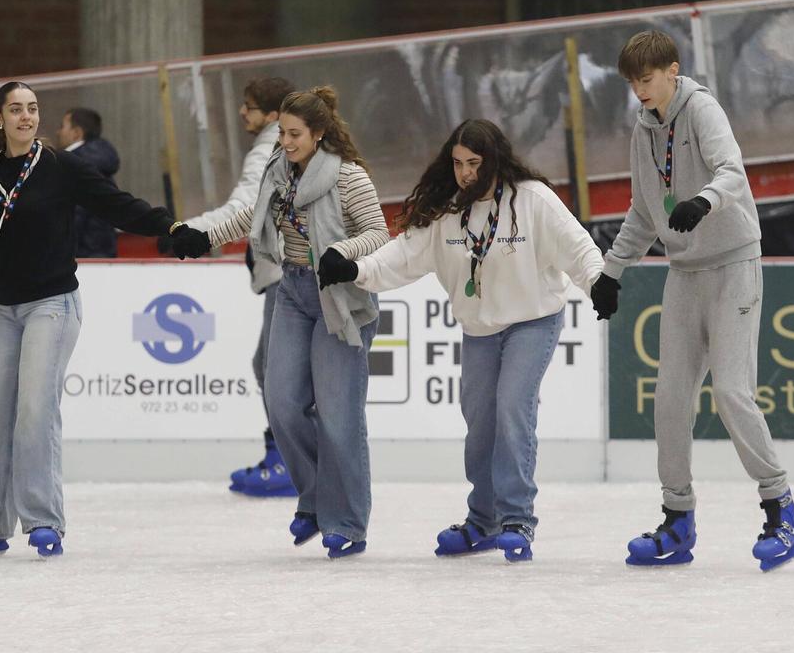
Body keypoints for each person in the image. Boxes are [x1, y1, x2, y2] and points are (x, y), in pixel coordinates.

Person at [0, 81, 209, 558]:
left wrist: (169, 226)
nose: (25, 117)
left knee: (35, 412)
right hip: (4, 309)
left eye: (32, 109)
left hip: (52, 305)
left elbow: (116, 203)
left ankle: (43, 522)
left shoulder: (59, 167)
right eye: (15, 109)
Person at [321, 119, 605, 563]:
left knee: (513, 408)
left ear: (494, 161)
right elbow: (402, 255)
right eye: (458, 164)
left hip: (533, 321)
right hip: (478, 330)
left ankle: (516, 520)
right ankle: (484, 519)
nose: (466, 173)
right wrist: (355, 270)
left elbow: (579, 247)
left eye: (475, 163)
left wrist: (599, 283)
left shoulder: (532, 200)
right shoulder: (446, 211)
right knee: (479, 422)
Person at [592, 29, 794, 571]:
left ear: (672, 69)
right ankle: (677, 518)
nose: (639, 90)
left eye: (646, 79)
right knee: (669, 397)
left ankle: (782, 509)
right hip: (683, 272)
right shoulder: (642, 131)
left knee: (732, 393)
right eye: (632, 82)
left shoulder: (702, 110)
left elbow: (732, 172)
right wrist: (612, 272)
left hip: (734, 262)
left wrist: (703, 202)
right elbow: (645, 212)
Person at [204, 86, 387, 559]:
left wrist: (341, 253)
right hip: (293, 290)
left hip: (341, 299)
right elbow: (252, 215)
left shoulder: (349, 178)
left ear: (319, 133)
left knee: (338, 413)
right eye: (281, 133)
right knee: (281, 400)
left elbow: (378, 233)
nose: (284, 142)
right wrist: (199, 235)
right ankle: (315, 497)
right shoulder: (278, 172)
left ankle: (346, 520)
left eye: (294, 134)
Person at [169, 76, 298, 498]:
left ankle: (291, 461)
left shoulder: (270, 147)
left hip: (287, 273)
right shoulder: (282, 146)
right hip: (286, 271)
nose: (243, 113)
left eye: (251, 106)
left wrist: (191, 230)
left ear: (274, 114)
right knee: (275, 366)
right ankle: (290, 457)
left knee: (274, 368)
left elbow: (246, 207)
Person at [57, 107, 120, 258]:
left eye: (62, 126)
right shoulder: (99, 165)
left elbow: (73, 218)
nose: (58, 132)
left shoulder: (73, 165)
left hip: (81, 258)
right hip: (102, 255)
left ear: (77, 133)